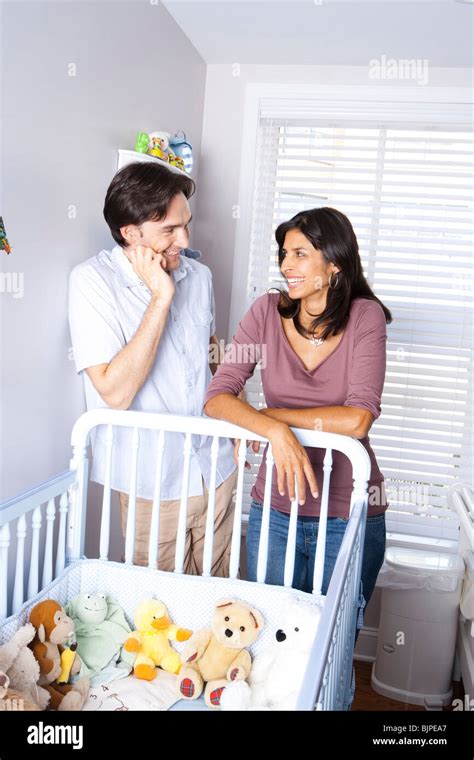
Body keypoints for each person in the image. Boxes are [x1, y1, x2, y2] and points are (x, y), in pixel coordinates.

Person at [204, 207, 391, 607]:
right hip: (275, 510)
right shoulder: (265, 312)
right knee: (269, 632)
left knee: (331, 647)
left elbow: (358, 419)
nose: (286, 265)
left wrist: (273, 417)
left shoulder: (365, 317)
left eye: (300, 254)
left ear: (335, 263)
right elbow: (217, 396)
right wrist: (272, 431)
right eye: (284, 254)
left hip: (346, 512)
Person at [68, 161, 236, 573]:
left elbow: (211, 353)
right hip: (153, 481)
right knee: (158, 609)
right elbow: (115, 392)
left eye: (186, 225)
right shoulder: (92, 282)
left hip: (216, 468)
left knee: (225, 600)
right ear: (130, 233)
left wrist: (238, 424)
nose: (185, 239)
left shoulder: (200, 276)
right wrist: (161, 297)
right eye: (170, 230)